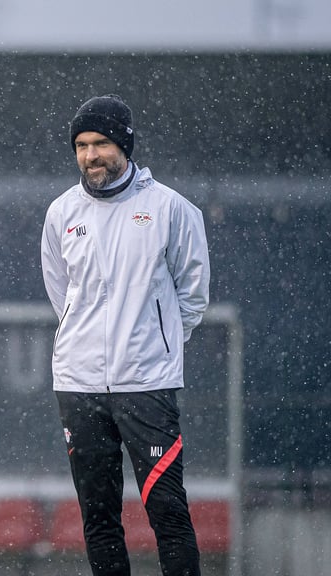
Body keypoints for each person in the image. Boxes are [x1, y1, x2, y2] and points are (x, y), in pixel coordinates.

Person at [40, 94, 211, 576]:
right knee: (98, 519)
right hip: (79, 384)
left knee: (169, 514)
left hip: (147, 385)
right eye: (80, 145)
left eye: (100, 143)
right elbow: (61, 292)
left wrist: (156, 342)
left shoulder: (172, 209)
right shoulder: (61, 213)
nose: (90, 155)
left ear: (126, 145)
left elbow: (193, 295)